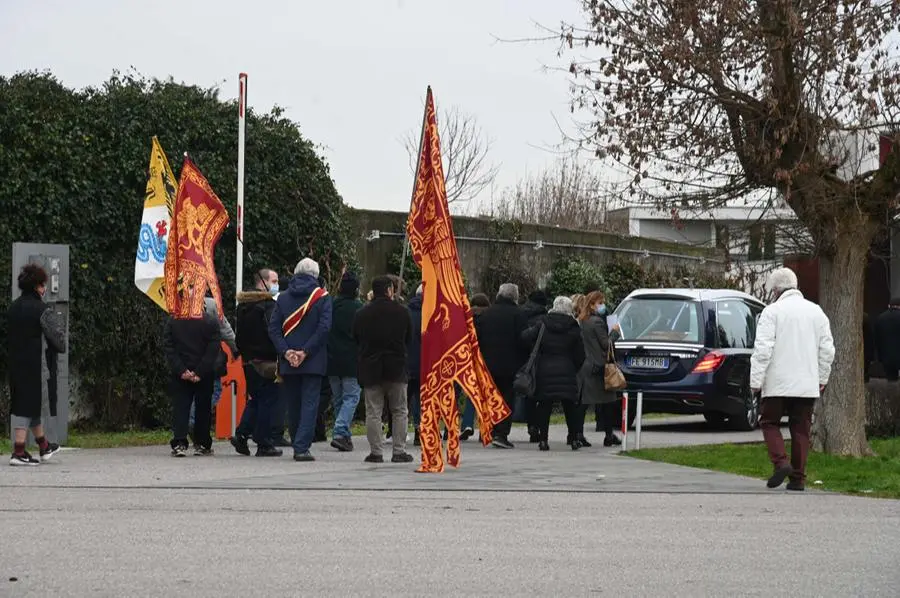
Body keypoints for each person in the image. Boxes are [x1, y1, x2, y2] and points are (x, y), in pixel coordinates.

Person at [750, 267, 835, 491]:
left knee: (769, 422)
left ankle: (781, 462)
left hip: (777, 382)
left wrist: (755, 381)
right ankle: (798, 478)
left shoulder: (772, 312)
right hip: (806, 383)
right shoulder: (816, 312)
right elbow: (827, 350)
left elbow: (762, 349)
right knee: (801, 428)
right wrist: (822, 377)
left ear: (776, 290)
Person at [269, 258, 333, 462]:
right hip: (312, 360)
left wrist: (286, 352)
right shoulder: (322, 297)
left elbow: (274, 329)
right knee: (310, 403)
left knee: (293, 403)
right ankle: (301, 447)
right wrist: (305, 352)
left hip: (288, 360)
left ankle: (297, 439)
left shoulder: (282, 298)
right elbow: (324, 329)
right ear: (316, 275)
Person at [7, 264, 65, 466]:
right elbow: (58, 340)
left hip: (15, 362)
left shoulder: (13, 308)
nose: (45, 289)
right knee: (28, 404)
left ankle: (43, 445)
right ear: (37, 286)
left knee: (29, 403)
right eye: (43, 285)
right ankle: (19, 450)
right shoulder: (42, 309)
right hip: (37, 364)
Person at [353, 276, 414, 464]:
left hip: (371, 368)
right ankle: (399, 450)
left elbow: (356, 338)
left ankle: (376, 452)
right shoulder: (402, 312)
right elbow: (409, 339)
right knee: (399, 410)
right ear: (390, 290)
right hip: (396, 368)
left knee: (373, 412)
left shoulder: (362, 313)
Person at [229, 269, 283, 457]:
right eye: (274, 280)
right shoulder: (267, 307)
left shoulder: (243, 306)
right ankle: (264, 442)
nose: (277, 284)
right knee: (268, 400)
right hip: (266, 360)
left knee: (257, 399)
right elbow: (273, 333)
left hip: (248, 360)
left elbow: (240, 337)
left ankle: (242, 434)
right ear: (263, 282)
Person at [521, 296, 586, 451]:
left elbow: (525, 337)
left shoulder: (543, 323)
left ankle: (543, 439)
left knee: (544, 406)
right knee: (570, 406)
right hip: (567, 369)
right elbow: (581, 354)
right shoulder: (573, 327)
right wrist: (573, 367)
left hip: (545, 369)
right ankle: (573, 437)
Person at [163, 293, 222, 457]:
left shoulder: (174, 321)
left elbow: (169, 347)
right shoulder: (210, 321)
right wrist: (200, 371)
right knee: (203, 408)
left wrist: (182, 370)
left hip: (181, 373)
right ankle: (202, 443)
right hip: (204, 373)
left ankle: (180, 442)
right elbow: (213, 349)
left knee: (181, 407)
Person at [476, 283, 528, 449]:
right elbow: (523, 339)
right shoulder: (519, 315)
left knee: (490, 397)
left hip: (488, 364)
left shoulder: (486, 314)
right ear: (515, 297)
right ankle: (501, 433)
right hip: (510, 364)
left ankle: (488, 429)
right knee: (507, 398)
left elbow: (478, 339)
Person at [577, 290, 622, 448]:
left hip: (587, 366)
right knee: (608, 401)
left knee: (583, 402)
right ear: (592, 304)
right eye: (600, 303)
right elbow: (606, 344)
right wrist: (615, 332)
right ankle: (608, 435)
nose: (603, 306)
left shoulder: (583, 320)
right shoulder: (597, 322)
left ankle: (578, 433)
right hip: (600, 366)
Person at [189, 293, 238, 430]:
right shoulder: (211, 305)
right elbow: (225, 329)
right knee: (213, 390)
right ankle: (193, 422)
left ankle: (188, 423)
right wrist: (235, 348)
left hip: (187, 357)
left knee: (189, 392)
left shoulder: (177, 305)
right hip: (209, 357)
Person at [327, 271, 364, 452]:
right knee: (352, 397)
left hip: (332, 360)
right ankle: (340, 431)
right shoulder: (359, 308)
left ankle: (344, 435)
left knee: (339, 399)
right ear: (356, 289)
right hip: (351, 360)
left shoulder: (331, 306)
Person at [519, 289, 548, 441]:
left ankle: (531, 425)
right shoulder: (544, 318)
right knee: (541, 395)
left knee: (528, 394)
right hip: (541, 360)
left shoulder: (520, 313)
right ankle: (538, 426)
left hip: (525, 360)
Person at [407, 283, 424, 446]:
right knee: (421, 399)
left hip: (405, 363)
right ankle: (420, 431)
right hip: (424, 363)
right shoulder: (432, 314)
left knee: (403, 400)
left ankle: (398, 431)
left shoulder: (405, 312)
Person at [874, 298, 900, 381]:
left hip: (886, 356)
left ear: (889, 305)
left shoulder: (880, 318)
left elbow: (877, 339)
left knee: (891, 380)